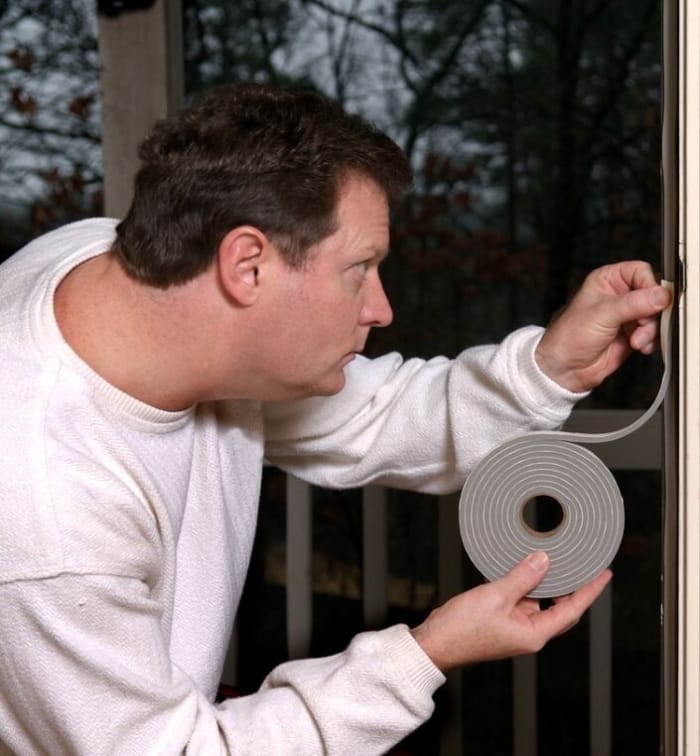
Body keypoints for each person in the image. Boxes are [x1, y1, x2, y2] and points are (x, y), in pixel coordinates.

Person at [0, 82, 671, 756]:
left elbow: (371, 416)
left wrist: (552, 367)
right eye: (360, 269)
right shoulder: (47, 510)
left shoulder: (115, 264)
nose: (381, 308)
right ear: (248, 265)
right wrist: (424, 655)